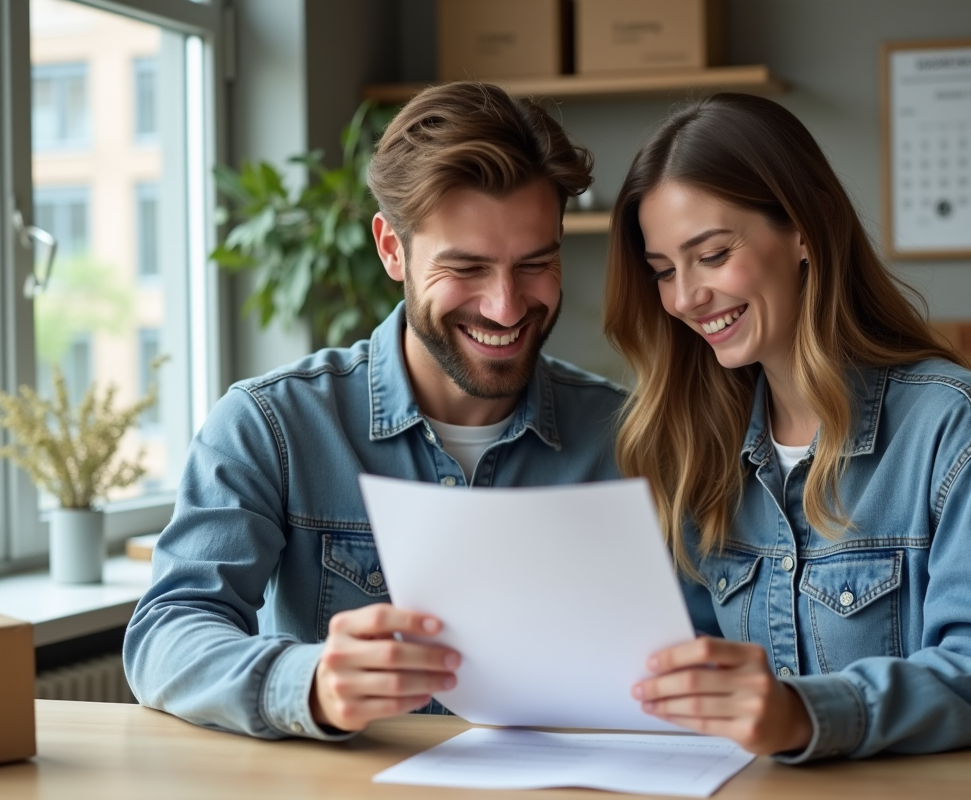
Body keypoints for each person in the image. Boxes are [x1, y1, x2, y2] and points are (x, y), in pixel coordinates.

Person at [124, 82, 626, 739]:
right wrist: (308, 683)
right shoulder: (271, 426)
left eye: (536, 263)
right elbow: (167, 632)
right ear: (392, 249)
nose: (506, 307)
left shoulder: (629, 437)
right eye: (466, 268)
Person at [604, 93, 971, 762]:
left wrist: (803, 714)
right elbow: (683, 671)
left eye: (712, 254)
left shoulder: (952, 424)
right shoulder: (697, 445)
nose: (684, 298)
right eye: (664, 272)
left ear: (803, 231)